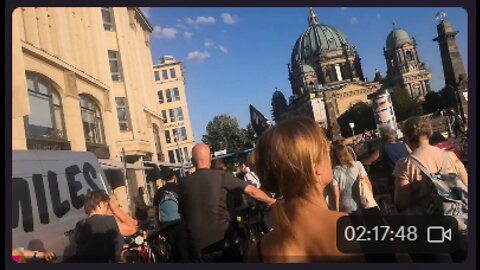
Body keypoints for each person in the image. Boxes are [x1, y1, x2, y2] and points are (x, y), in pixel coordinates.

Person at [248, 116, 365, 262]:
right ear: (314, 167)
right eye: (326, 151)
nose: (330, 157)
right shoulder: (365, 231)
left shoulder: (259, 252)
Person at [178, 143, 276, 262]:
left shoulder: (183, 184)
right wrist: (273, 201)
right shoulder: (221, 176)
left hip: (197, 248)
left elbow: (184, 215)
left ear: (192, 160)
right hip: (223, 243)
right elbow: (252, 191)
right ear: (210, 157)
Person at [393, 116, 468, 262]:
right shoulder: (449, 156)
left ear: (407, 137)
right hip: (457, 222)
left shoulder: (405, 165)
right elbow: (466, 186)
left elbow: (402, 202)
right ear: (429, 133)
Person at [74, 190, 124, 262]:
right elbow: (118, 245)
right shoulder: (108, 220)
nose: (107, 209)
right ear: (100, 204)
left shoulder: (79, 225)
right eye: (107, 205)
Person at [330, 143, 373, 214]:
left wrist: (337, 211)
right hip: (363, 202)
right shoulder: (358, 165)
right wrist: (370, 198)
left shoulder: (334, 172)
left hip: (346, 206)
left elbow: (336, 194)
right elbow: (368, 184)